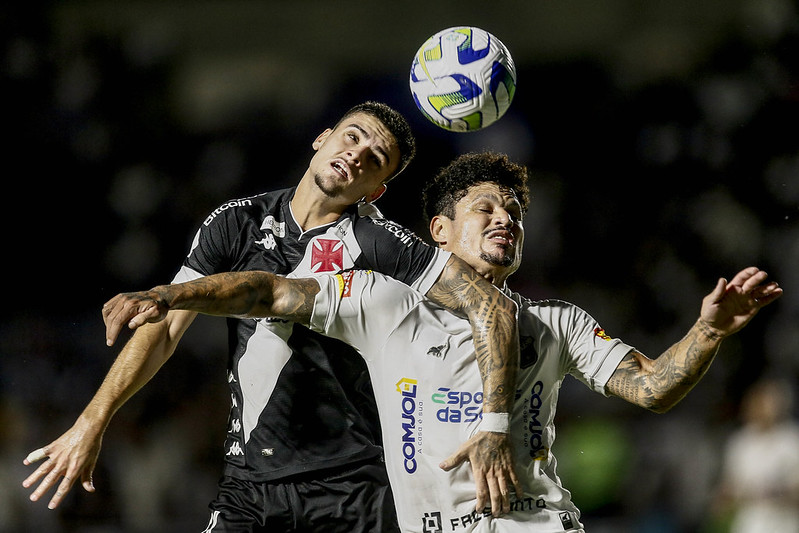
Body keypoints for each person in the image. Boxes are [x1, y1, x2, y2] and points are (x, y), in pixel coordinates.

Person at [98, 151, 783, 532]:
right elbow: (268, 291)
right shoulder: (379, 301)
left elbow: (652, 385)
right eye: (484, 207)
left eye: (513, 212)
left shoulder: (558, 320)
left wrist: (709, 328)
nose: (504, 218)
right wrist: (169, 293)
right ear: (438, 233)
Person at [22, 104, 522, 532]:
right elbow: (163, 328)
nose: (357, 153)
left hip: (355, 490)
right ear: (321, 140)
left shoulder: (381, 244)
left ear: (377, 190)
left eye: (376, 158)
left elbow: (492, 307)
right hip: (251, 486)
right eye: (352, 136)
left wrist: (494, 423)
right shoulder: (234, 222)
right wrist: (93, 419)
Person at [711, 377, 799, 533]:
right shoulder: (740, 443)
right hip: (748, 524)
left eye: (769, 403)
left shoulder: (791, 440)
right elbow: (729, 486)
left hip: (784, 524)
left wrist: (779, 492)